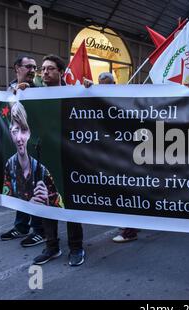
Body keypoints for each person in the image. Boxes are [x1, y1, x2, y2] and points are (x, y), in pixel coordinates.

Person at [33, 54, 85, 267]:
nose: (45, 72)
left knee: (71, 206)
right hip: (45, 158)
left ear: (61, 72)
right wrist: (18, 90)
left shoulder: (73, 93)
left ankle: (76, 247)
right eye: (43, 69)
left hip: (69, 159)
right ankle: (51, 247)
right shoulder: (34, 96)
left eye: (50, 68)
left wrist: (90, 91)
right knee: (47, 204)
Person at [84, 72, 140, 243]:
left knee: (127, 191)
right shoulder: (100, 99)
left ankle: (129, 231)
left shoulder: (124, 98)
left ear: (115, 83)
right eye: (100, 84)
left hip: (127, 154)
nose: (104, 87)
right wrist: (88, 89)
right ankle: (132, 225)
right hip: (111, 154)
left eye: (108, 84)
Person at [0, 56, 46, 247]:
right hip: (17, 149)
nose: (33, 70)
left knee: (35, 187)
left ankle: (39, 230)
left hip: (35, 147)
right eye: (29, 67)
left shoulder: (39, 90)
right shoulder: (9, 90)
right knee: (20, 186)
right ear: (17, 68)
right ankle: (21, 226)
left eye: (35, 67)